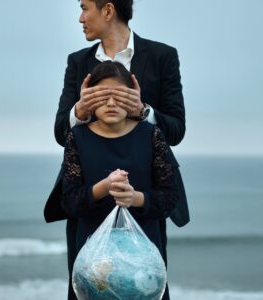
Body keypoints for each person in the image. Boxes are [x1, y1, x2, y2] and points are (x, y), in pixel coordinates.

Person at [44, 0, 189, 299]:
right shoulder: (77, 62)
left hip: (144, 193)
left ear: (108, 10)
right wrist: (80, 110)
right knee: (88, 283)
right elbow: (61, 131)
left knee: (145, 283)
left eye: (85, 8)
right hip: (88, 195)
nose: (80, 18)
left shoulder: (162, 56)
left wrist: (143, 109)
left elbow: (176, 130)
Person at [61, 60, 179, 299]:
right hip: (93, 257)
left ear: (134, 96)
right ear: (89, 97)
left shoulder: (151, 135)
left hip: (141, 254)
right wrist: (104, 188)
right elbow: (70, 202)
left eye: (120, 96)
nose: (112, 103)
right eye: (103, 96)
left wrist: (135, 198)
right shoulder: (77, 137)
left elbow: (169, 198)